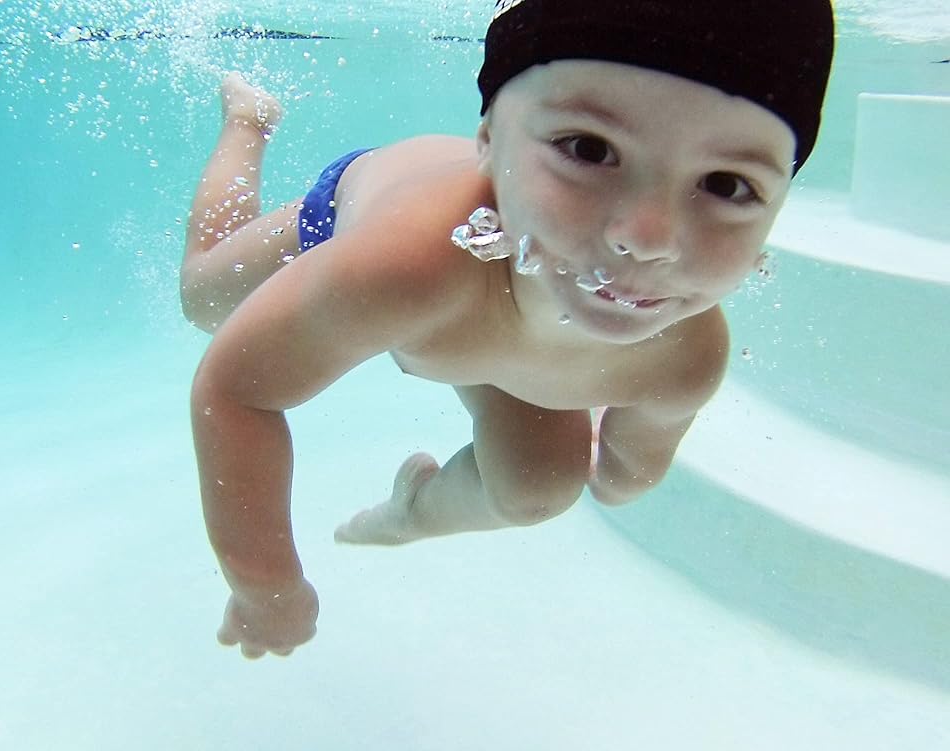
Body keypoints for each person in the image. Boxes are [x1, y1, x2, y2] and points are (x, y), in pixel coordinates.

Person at [180, 0, 834, 659]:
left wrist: (614, 457)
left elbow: (621, 477)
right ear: (488, 140)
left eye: (728, 185)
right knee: (205, 299)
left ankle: (411, 512)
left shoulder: (683, 360)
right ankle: (249, 122)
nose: (647, 238)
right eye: (589, 149)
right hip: (380, 220)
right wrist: (266, 586)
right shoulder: (400, 267)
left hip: (492, 315)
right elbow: (233, 392)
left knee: (539, 489)